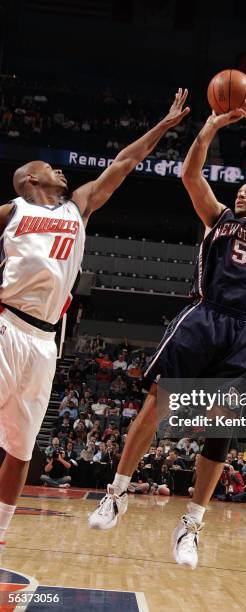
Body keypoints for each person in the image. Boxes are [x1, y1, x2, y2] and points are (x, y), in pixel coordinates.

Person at [88, 96, 246, 570]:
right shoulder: (217, 219)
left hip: (244, 333)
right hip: (202, 317)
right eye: (241, 190)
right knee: (158, 403)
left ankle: (192, 524)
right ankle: (115, 495)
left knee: (221, 426)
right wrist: (210, 128)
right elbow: (189, 175)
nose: (245, 193)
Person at [0, 88, 190, 551]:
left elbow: (122, 163)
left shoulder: (77, 206)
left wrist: (162, 129)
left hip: (46, 343)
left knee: (21, 450)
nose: (60, 171)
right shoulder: (12, 211)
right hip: (5, 323)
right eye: (50, 168)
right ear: (29, 179)